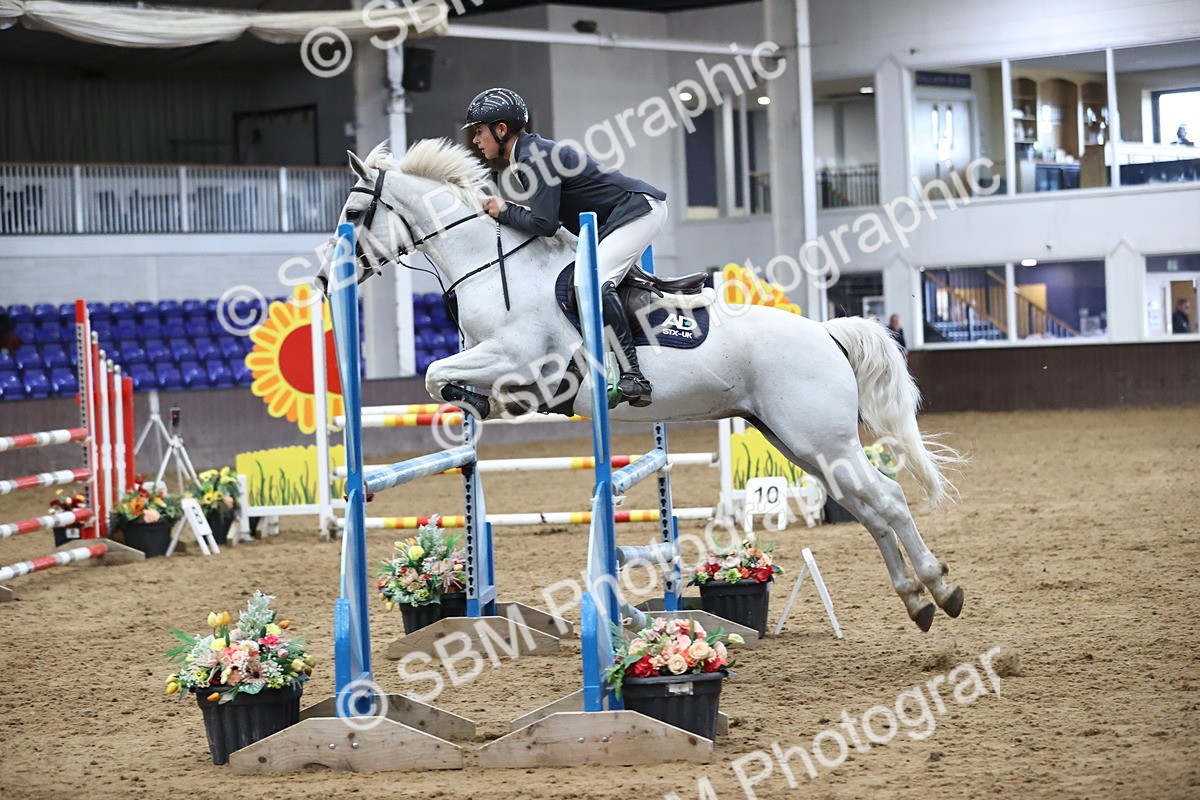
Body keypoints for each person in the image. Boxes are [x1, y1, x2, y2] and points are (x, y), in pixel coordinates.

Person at [464, 87, 668, 408]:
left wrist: (504, 210)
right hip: (611, 221)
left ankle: (634, 375)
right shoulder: (529, 155)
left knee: (591, 283)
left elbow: (546, 225)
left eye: (479, 132)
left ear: (501, 130)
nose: (476, 140)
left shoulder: (534, 158)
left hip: (636, 210)